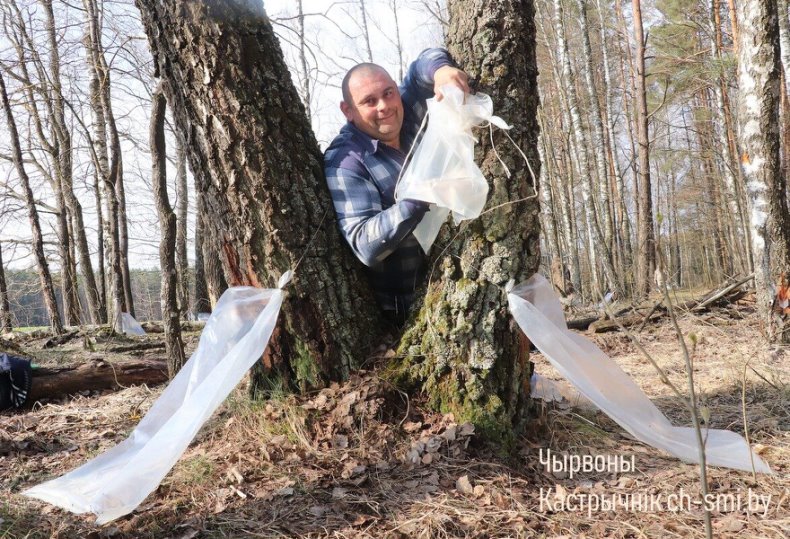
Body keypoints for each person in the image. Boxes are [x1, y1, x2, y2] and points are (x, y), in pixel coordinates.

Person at [324, 48, 469, 323]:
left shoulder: (408, 111)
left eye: (388, 92)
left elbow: (420, 68)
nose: (384, 106)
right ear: (348, 111)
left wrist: (441, 71)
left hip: (463, 276)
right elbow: (364, 243)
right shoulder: (347, 161)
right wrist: (420, 195)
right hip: (410, 313)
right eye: (369, 101)